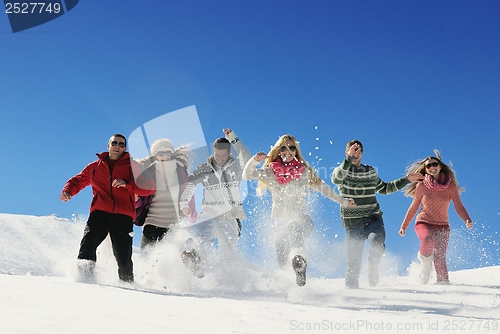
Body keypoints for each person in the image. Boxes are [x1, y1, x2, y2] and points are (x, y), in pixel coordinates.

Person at [242, 134, 355, 286]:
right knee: (282, 260)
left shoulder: (304, 172)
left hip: (302, 220)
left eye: (291, 147)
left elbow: (325, 189)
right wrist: (254, 160)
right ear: (278, 151)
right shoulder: (270, 172)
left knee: (293, 226)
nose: (287, 150)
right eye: (283, 148)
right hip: (279, 223)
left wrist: (344, 202)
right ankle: (292, 291)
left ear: (296, 151)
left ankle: (299, 258)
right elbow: (247, 175)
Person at [60, 134, 156, 283]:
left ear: (125, 148)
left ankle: (128, 286)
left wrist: (128, 184)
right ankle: (84, 278)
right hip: (99, 213)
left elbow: (150, 187)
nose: (118, 146)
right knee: (88, 242)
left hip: (123, 216)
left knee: (123, 256)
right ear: (108, 145)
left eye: (122, 144)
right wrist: (68, 191)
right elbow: (77, 180)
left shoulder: (133, 166)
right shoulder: (95, 167)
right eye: (114, 143)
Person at [331, 140, 423, 289]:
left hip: (372, 216)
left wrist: (406, 180)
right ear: (346, 153)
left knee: (377, 241)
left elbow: (384, 188)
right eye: (353, 150)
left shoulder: (370, 171)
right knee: (353, 264)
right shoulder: (342, 171)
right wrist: (348, 159)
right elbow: (336, 179)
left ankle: (373, 267)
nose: (356, 153)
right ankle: (353, 297)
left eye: (359, 150)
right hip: (352, 223)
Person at [179, 128, 251, 277]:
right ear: (213, 151)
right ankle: (197, 261)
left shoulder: (236, 166)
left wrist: (232, 137)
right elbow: (190, 185)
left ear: (229, 153)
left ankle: (227, 278)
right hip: (209, 211)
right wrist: (184, 203)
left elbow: (246, 156)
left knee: (228, 250)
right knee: (204, 236)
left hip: (229, 214)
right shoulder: (204, 169)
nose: (219, 158)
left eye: (223, 155)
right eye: (217, 154)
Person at [399, 150, 473, 284]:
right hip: (424, 222)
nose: (432, 167)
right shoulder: (421, 186)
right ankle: (425, 265)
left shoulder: (450, 187)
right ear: (426, 170)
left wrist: (467, 219)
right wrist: (404, 226)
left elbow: (458, 205)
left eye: (434, 164)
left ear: (439, 166)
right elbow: (414, 207)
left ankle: (443, 284)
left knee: (440, 256)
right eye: (428, 166)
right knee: (427, 239)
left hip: (443, 226)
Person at [135, 138, 197, 249]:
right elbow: (141, 198)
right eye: (160, 153)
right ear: (155, 155)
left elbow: (188, 194)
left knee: (169, 259)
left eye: (168, 152)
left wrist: (192, 217)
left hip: (172, 224)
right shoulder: (148, 173)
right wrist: (135, 201)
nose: (165, 156)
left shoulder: (180, 172)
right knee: (146, 257)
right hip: (151, 222)